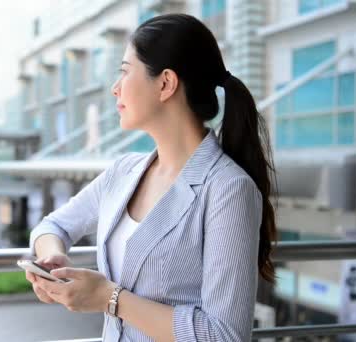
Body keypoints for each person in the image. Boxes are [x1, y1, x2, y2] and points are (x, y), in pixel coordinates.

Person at [26, 13, 277, 342]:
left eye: (125, 72)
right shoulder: (124, 171)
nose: (115, 89)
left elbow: (224, 335)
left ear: (165, 83)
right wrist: (52, 260)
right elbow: (51, 226)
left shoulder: (228, 190)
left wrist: (109, 298)